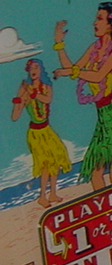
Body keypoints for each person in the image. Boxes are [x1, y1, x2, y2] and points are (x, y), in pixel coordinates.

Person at [52, 3, 112, 190]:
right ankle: (108, 206)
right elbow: (73, 68)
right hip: (102, 114)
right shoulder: (94, 47)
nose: (95, 23)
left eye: (99, 19)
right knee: (96, 171)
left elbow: (97, 76)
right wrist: (59, 44)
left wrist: (69, 72)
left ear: (111, 24)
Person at [11, 58, 71, 206]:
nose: (33, 71)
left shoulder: (46, 86)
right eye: (31, 68)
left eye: (36, 67)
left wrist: (34, 94)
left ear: (41, 70)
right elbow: (15, 116)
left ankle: (53, 194)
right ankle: (42, 196)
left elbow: (47, 99)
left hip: (47, 130)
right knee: (45, 165)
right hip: (36, 133)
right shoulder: (26, 88)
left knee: (56, 159)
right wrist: (19, 101)